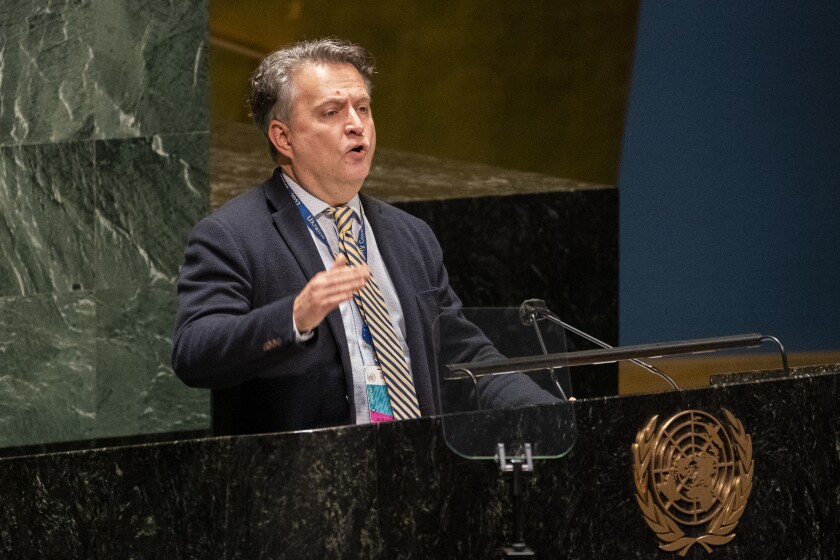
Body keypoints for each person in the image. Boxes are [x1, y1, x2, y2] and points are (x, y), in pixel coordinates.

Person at [172, 38, 555, 436]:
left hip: (417, 473)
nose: (356, 124)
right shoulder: (232, 236)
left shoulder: (410, 236)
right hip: (306, 484)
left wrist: (550, 412)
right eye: (332, 112)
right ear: (283, 138)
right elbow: (194, 352)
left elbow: (463, 352)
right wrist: (294, 317)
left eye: (363, 108)